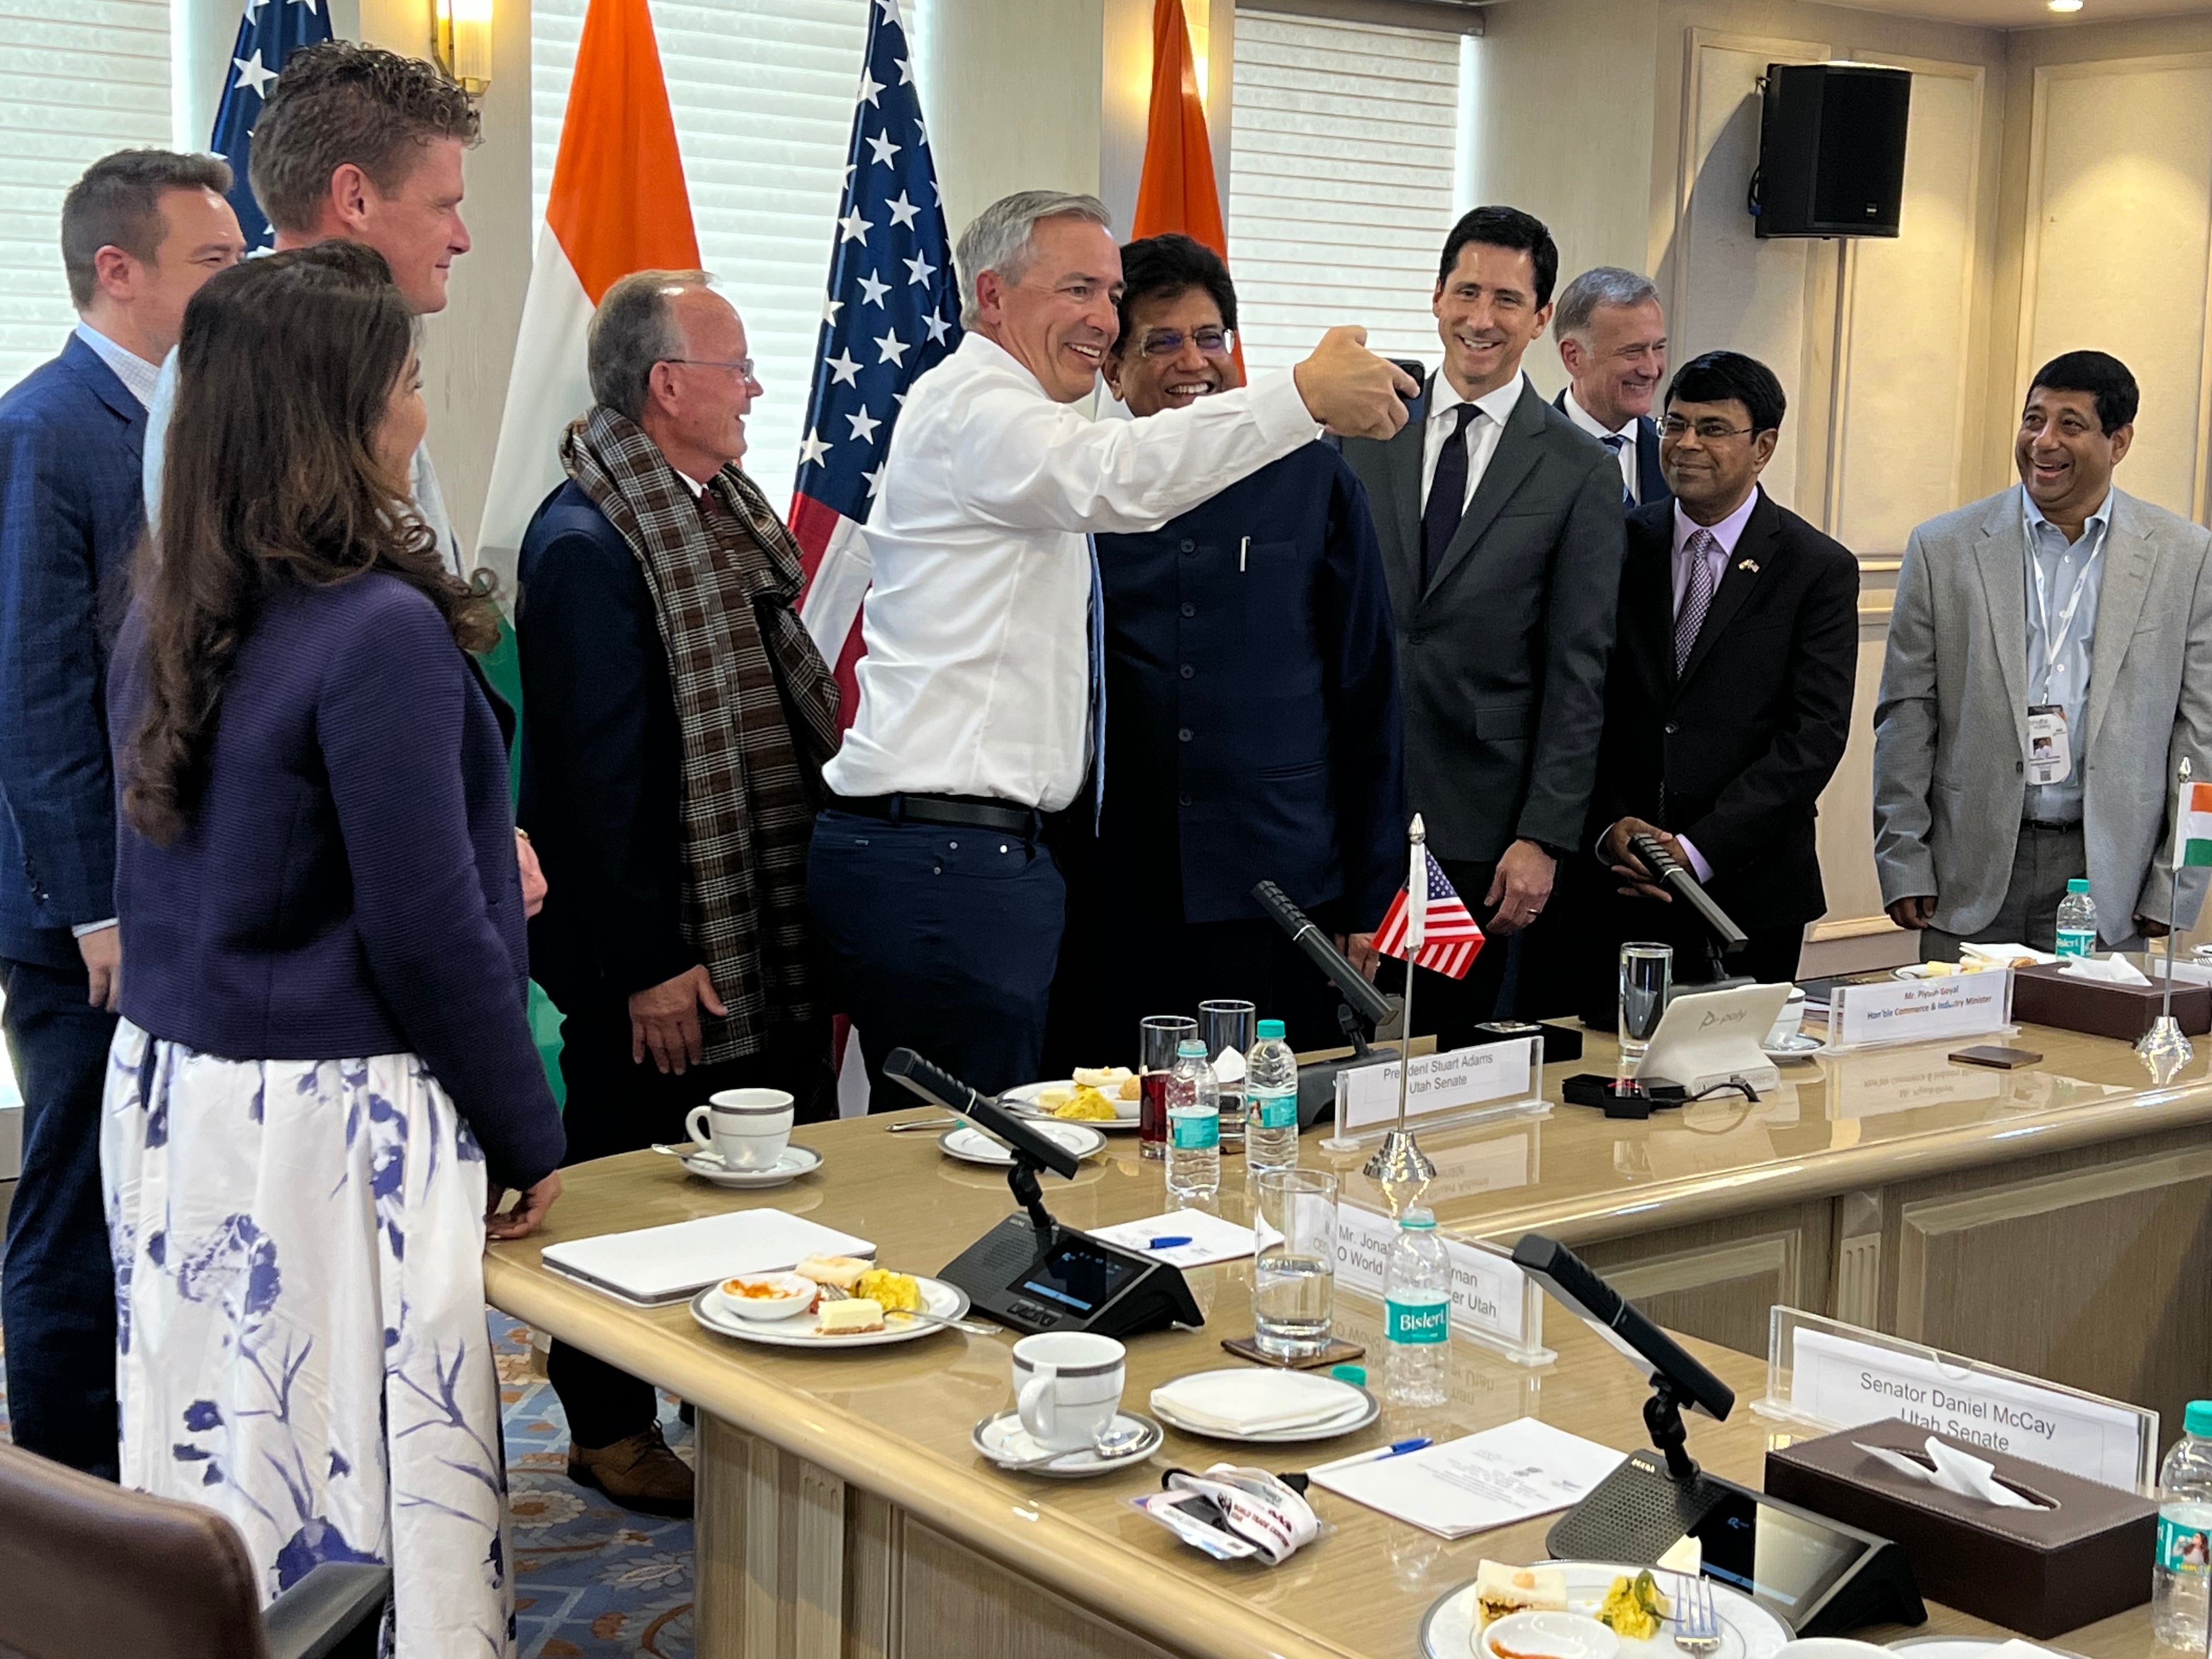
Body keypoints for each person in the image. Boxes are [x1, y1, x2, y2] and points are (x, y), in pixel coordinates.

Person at [103, 242, 563, 1654]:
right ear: (347, 410)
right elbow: (430, 933)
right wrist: (527, 1127)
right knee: (355, 1485)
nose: (423, 409)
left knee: (224, 1460)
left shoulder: (169, 596)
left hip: (182, 1101)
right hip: (329, 1122)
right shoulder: (377, 629)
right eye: (413, 379)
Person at [809, 190, 1413, 1107]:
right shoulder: (983, 410)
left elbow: (1364, 687)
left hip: (1038, 863)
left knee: (1004, 1151)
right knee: (965, 1166)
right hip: (957, 861)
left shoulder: (1304, 487)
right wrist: (1297, 396)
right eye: (1080, 290)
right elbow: (1118, 478)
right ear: (994, 295)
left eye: (1108, 292)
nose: (1102, 317)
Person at [516, 271, 840, 1513]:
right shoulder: (588, 540)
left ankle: (735, 1393)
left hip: (751, 921)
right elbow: (597, 782)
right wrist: (649, 958)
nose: (756, 387)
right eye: (736, 366)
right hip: (653, 948)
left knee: (751, 1182)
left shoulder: (716, 514)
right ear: (667, 386)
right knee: (630, 1190)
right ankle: (607, 1426)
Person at [0, 149, 242, 1481]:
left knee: (149, 1204)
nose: (236, 287)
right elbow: (33, 690)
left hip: (165, 895)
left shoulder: (181, 421)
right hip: (82, 919)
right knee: (73, 1213)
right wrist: (98, 907)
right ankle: (65, 1514)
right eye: (213, 264)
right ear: (118, 270)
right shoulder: (47, 427)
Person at [1043, 234, 1402, 1062]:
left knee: (1271, 1125)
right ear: (1113, 369)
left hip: (1277, 880)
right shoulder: (1075, 487)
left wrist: (1370, 897)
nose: (1192, 363)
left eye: (1211, 339)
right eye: (1161, 343)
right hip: (1113, 884)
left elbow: (1368, 693)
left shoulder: (1313, 479)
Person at [1339, 206, 1626, 1042]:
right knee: (1327, 1054)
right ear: (1435, 298)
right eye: (1466, 291)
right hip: (1351, 812)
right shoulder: (1360, 429)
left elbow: (1581, 670)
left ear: (1541, 319)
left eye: (1507, 298)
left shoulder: (1578, 472)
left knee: (1445, 1057)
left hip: (1479, 827)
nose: (1481, 317)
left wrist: (1543, 836)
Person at [1874, 351, 2212, 955]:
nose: (2043, 441)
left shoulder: (2186, 557)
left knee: (2095, 1050)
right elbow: (1906, 715)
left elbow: (2201, 736)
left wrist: (2178, 884)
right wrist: (1904, 857)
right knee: (1958, 1050)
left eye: (2070, 425)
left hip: (2111, 878)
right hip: (1967, 872)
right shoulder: (1943, 548)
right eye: (2034, 419)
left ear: (2120, 441)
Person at [1567, 351, 1858, 1011]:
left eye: (1713, 428)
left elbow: (1812, 738)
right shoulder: (1616, 543)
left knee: (1739, 1097)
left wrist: (1693, 853)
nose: (1687, 444)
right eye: (1676, 424)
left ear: (1763, 447)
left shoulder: (1816, 568)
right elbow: (1580, 701)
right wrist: (1613, 826)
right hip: (1617, 880)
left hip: (1748, 890)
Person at [1551, 266, 1670, 510]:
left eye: (1658, 348)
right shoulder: (1521, 454)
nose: (1651, 369)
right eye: (1633, 351)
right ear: (1573, 357)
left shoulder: (1674, 453)